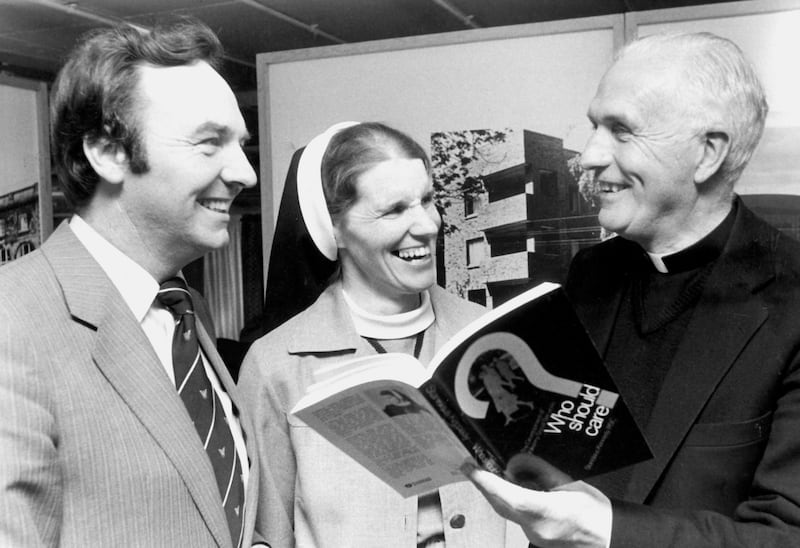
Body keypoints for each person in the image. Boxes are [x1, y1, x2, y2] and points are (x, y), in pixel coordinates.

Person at [462, 31, 800, 547]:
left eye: (621, 131)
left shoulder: (794, 300)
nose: (591, 155)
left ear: (707, 153)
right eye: (596, 125)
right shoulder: (590, 273)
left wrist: (603, 529)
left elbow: (786, 535)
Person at [0, 19, 267, 547]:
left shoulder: (185, 309)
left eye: (240, 144)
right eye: (210, 142)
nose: (245, 173)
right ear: (108, 152)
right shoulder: (13, 320)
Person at [238, 122, 512, 547]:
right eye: (394, 210)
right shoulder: (276, 364)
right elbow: (268, 535)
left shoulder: (489, 332)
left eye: (426, 200)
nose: (426, 225)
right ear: (335, 228)